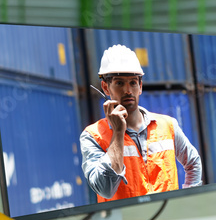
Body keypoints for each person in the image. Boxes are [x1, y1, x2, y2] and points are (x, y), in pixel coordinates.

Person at [80, 44, 202, 202]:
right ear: (106, 87)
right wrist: (117, 133)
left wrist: (189, 200)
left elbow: (193, 162)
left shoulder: (167, 125)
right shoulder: (92, 136)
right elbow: (105, 189)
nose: (128, 90)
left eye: (133, 82)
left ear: (140, 86)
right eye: (119, 83)